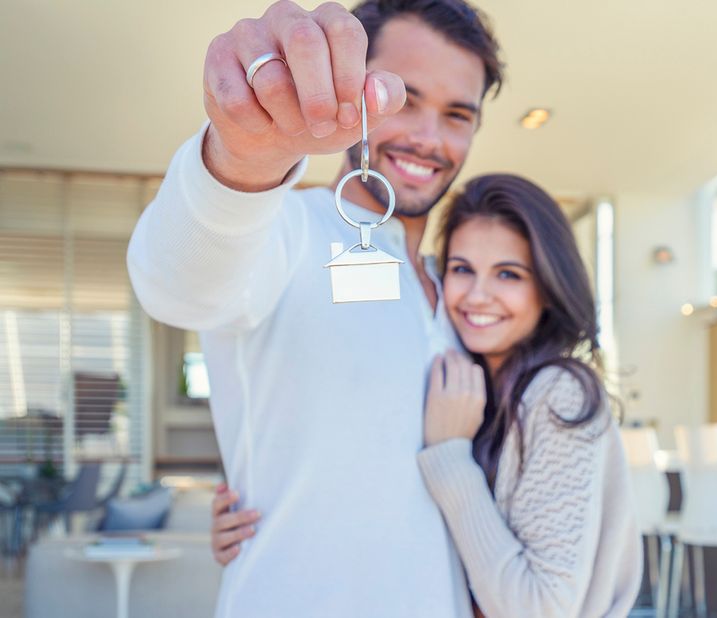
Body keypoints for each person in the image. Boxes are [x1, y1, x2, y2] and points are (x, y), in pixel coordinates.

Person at [127, 0, 505, 615]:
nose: (429, 138)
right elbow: (176, 285)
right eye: (403, 99)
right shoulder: (284, 229)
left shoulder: (466, 298)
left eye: (457, 114)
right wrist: (245, 158)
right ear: (348, 90)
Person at [218, 174, 644, 617]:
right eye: (462, 269)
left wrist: (451, 455)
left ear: (549, 288)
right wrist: (260, 509)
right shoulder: (467, 372)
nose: (478, 296)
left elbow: (539, 608)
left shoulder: (559, 394)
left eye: (508, 274)